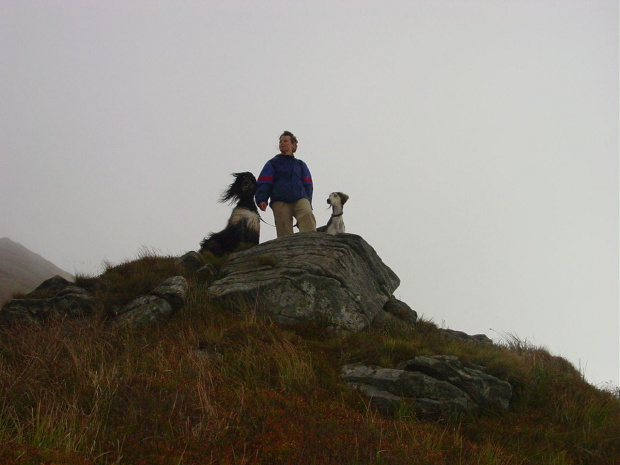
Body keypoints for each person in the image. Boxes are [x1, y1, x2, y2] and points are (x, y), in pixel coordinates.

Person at [255, 131, 317, 237]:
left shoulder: (300, 164)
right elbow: (265, 181)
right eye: (280, 141)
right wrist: (262, 198)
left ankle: (311, 246)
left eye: (285, 141)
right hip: (280, 200)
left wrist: (308, 202)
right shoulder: (273, 163)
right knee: (284, 231)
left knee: (307, 216)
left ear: (293, 145)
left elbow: (308, 185)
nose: (282, 143)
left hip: (300, 198)